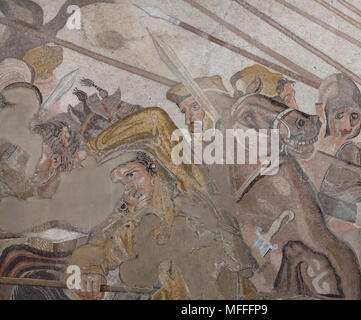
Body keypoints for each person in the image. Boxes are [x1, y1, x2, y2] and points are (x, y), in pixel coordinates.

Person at [67, 107, 258, 300]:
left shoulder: (191, 190)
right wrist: (90, 273)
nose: (128, 187)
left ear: (153, 170)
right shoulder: (127, 227)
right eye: (118, 184)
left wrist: (92, 149)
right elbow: (94, 252)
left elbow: (155, 119)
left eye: (131, 174)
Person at [230, 64, 299, 110]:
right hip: (276, 93)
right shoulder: (250, 94)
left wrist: (235, 90)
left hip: (281, 86)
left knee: (291, 107)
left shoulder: (251, 71)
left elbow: (233, 79)